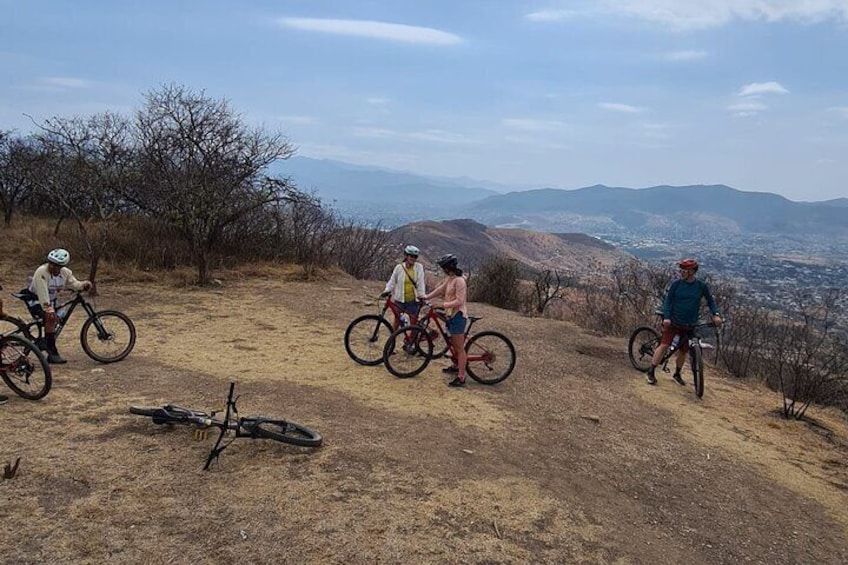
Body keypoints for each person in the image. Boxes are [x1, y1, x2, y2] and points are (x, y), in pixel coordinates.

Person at [647, 258, 722, 386]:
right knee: (665, 344)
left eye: (684, 270)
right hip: (673, 321)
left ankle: (677, 373)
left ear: (692, 271)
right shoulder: (676, 285)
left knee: (683, 350)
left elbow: (710, 301)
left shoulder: (700, 286)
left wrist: (716, 314)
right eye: (681, 270)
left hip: (690, 323)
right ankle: (651, 371)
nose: (681, 272)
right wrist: (667, 318)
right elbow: (668, 302)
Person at [27, 248, 92, 364]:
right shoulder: (41, 272)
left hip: (51, 300)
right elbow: (42, 294)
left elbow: (73, 283)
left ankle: (47, 338)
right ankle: (51, 351)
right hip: (36, 300)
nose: (52, 267)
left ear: (62, 266)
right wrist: (49, 310)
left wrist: (83, 285)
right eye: (50, 263)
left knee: (58, 316)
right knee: (50, 318)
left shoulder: (65, 272)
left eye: (56, 265)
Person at [424, 254, 468, 388]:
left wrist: (441, 305)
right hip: (451, 315)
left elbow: (460, 301)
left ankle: (461, 377)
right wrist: (426, 296)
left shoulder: (460, 281)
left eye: (444, 267)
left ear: (449, 268)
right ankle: (455, 365)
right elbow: (440, 289)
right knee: (452, 343)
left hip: (458, 316)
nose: (443, 270)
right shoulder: (450, 278)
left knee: (459, 348)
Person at [380, 245, 426, 330]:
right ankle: (392, 338)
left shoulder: (419, 267)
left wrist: (422, 295)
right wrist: (386, 291)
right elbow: (392, 281)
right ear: (406, 256)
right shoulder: (399, 267)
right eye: (411, 256)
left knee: (413, 322)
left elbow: (421, 283)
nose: (413, 258)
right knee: (397, 320)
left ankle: (412, 341)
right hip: (400, 299)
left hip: (413, 300)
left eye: (415, 257)